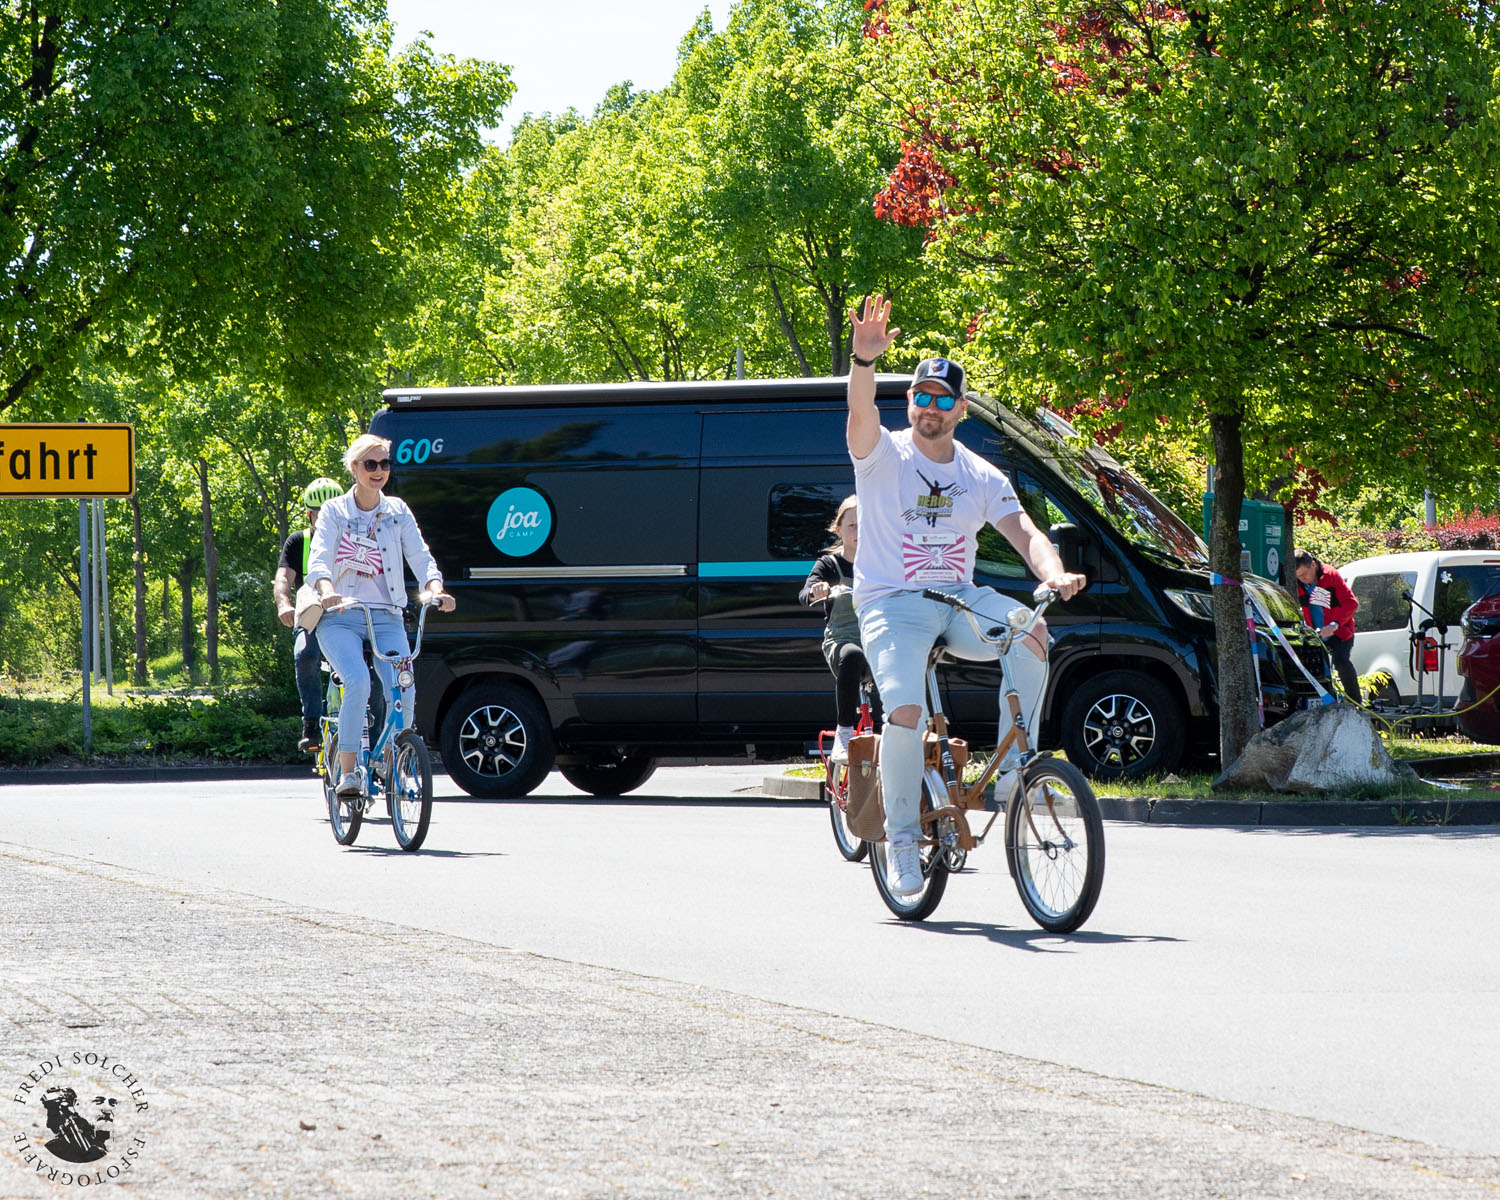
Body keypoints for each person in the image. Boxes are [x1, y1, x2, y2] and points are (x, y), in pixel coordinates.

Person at [846, 294, 1087, 898]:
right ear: (910, 401)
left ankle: (1015, 771)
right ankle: (902, 837)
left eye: (942, 400)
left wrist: (1053, 573)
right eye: (921, 397)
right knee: (905, 713)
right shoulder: (881, 455)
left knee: (1032, 631)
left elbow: (1025, 532)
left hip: (957, 598)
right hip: (891, 602)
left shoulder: (980, 474)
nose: (929, 408)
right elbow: (859, 410)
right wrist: (864, 361)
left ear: (960, 409)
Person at [307, 434, 456, 798]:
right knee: (358, 681)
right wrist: (326, 590)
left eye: (385, 464)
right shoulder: (335, 511)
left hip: (387, 615)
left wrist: (435, 587)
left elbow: (420, 555)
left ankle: (392, 759)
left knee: (404, 687)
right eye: (370, 464)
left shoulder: (397, 511)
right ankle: (348, 773)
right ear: (354, 468)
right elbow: (319, 558)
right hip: (341, 615)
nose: (379, 471)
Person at [799, 494, 883, 762]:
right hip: (843, 640)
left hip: (878, 639)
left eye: (864, 525)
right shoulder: (829, 564)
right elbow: (804, 594)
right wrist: (817, 590)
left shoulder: (882, 563)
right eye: (852, 526)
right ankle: (844, 733)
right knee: (852, 655)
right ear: (838, 530)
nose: (859, 532)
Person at [274, 477, 346, 752]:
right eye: (319, 514)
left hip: (346, 615)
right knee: (305, 653)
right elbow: (283, 578)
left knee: (373, 665)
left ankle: (375, 734)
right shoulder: (299, 542)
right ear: (309, 515)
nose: (326, 520)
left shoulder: (354, 540)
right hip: (312, 616)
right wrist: (284, 604)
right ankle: (312, 724)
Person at [1294, 550, 1360, 701]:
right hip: (1314, 634)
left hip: (1339, 631)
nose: (1303, 579)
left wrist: (1334, 625)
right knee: (1312, 668)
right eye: (1299, 576)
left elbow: (1351, 603)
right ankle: (1321, 700)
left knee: (1341, 661)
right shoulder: (1297, 583)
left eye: (1305, 574)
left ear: (1313, 565)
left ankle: (1355, 702)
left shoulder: (1331, 576)